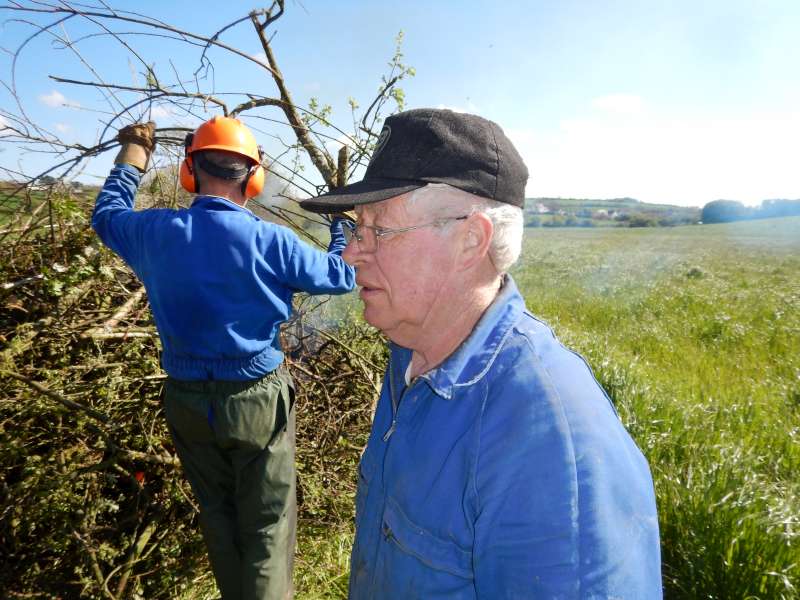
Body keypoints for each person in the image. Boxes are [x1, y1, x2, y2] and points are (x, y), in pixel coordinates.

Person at [300, 108, 662, 599]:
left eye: (377, 230)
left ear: (470, 240)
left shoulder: (549, 440)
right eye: (356, 229)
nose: (350, 253)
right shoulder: (412, 354)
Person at [93, 116, 355, 600]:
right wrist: (343, 228)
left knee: (217, 515)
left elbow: (107, 214)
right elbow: (340, 275)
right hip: (257, 401)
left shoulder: (155, 231)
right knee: (267, 527)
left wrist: (134, 154)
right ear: (253, 177)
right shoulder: (271, 241)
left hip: (187, 402)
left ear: (189, 171)